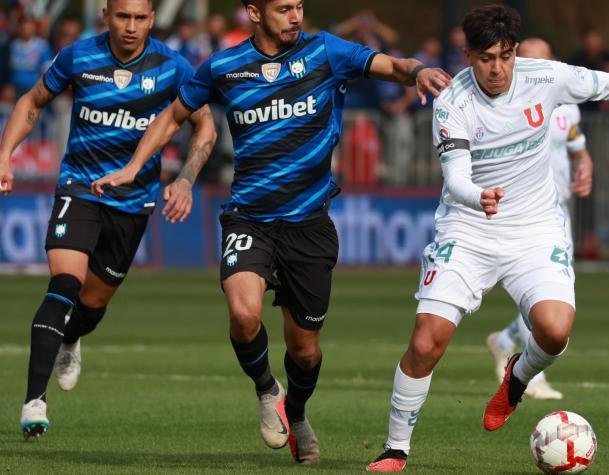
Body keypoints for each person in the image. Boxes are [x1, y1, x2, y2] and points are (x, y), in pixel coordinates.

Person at [91, 0, 450, 465]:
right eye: (284, 8)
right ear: (255, 12)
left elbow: (392, 65)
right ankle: (266, 389)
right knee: (243, 315)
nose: (296, 16)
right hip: (249, 219)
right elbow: (174, 115)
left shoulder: (326, 52)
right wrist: (135, 166)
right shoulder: (223, 67)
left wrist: (418, 70)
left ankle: (296, 413)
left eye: (299, 6)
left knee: (305, 352)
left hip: (309, 226)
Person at [366, 5, 609, 472]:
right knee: (427, 341)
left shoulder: (543, 77)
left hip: (535, 228)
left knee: (554, 329)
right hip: (469, 228)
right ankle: (395, 448)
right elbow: (456, 175)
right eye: (486, 58)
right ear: (467, 56)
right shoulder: (452, 102)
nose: (498, 68)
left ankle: (517, 379)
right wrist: (477, 195)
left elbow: (607, 84)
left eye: (505, 56)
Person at [0, 0, 216, 439]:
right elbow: (33, 100)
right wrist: (5, 154)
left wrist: (187, 180)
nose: (131, 27)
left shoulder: (173, 67)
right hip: (79, 187)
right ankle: (33, 403)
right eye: (122, 17)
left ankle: (71, 338)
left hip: (133, 203)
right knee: (64, 285)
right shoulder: (79, 56)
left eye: (139, 18)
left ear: (152, 19)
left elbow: (205, 126)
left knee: (94, 304)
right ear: (106, 15)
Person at [485, 37, 593, 401]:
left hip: (556, 210)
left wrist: (585, 167)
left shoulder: (567, 107)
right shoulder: (505, 106)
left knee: (557, 295)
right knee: (540, 293)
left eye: (545, 61)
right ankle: (531, 377)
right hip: (521, 211)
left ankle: (504, 342)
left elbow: (576, 145)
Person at [9, 15, 53, 97]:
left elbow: (47, 70)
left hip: (33, 90)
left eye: (29, 25)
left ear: (34, 27)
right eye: (23, 24)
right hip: (14, 90)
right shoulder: (12, 45)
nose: (25, 28)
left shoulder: (42, 46)